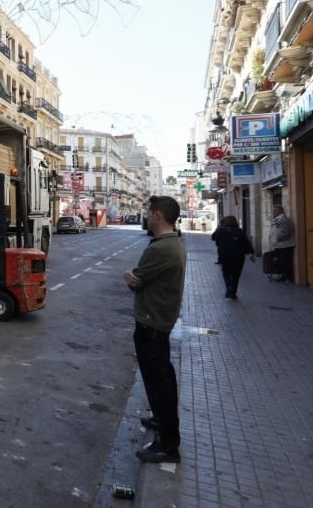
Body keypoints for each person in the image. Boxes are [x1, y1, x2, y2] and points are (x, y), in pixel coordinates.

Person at [123, 195, 186, 464]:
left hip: (152, 322)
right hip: (159, 321)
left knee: (158, 382)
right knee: (161, 378)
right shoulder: (173, 244)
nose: (146, 216)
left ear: (158, 215)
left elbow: (137, 280)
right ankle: (161, 421)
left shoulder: (160, 248)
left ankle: (167, 445)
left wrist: (132, 279)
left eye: (149, 212)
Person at [211, 216, 254, 300]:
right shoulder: (240, 231)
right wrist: (251, 253)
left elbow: (213, 238)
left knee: (226, 272)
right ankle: (233, 293)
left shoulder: (221, 230)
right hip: (238, 257)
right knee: (236, 274)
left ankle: (228, 287)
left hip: (225, 255)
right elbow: (246, 244)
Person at [269, 204, 295, 282]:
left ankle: (286, 277)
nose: (273, 212)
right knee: (280, 261)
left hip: (284, 245)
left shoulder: (283, 220)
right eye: (273, 210)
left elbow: (284, 233)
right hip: (279, 245)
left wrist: (277, 239)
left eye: (275, 210)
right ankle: (283, 276)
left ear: (281, 211)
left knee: (285, 262)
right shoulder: (277, 219)